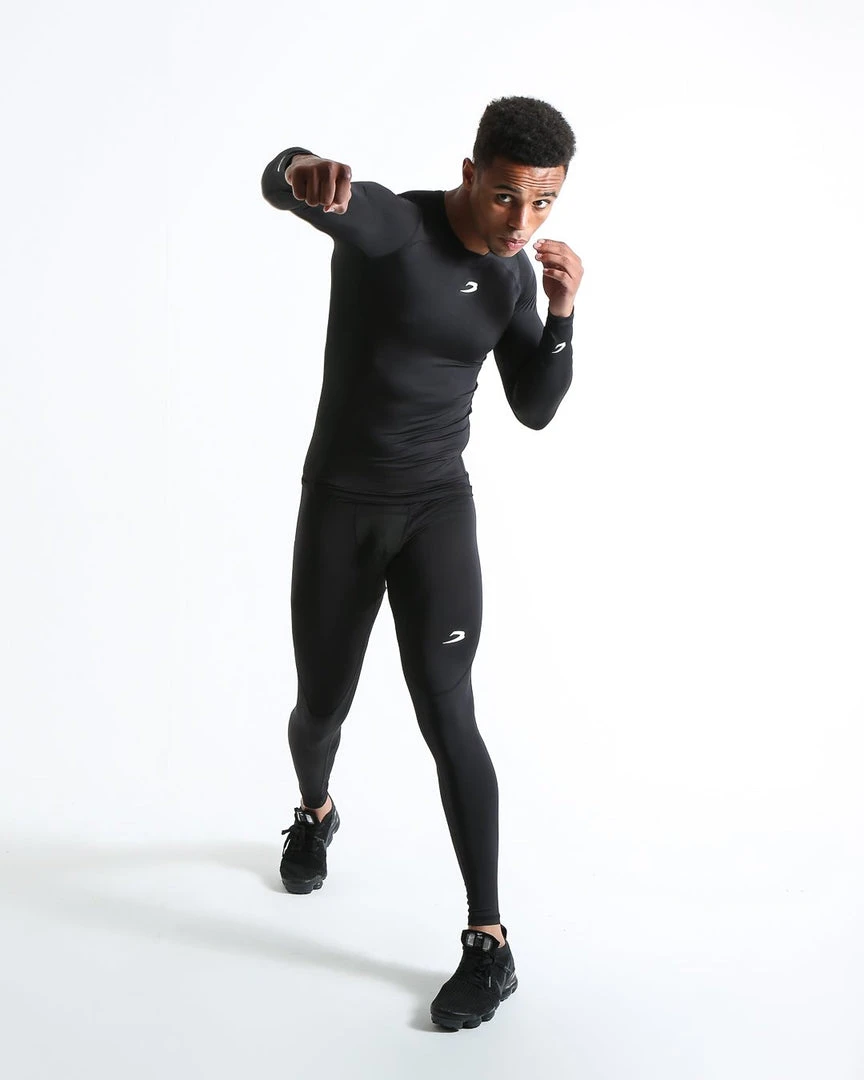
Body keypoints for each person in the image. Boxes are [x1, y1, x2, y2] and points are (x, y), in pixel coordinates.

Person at [260, 95, 583, 1031]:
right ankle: (316, 810)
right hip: (342, 509)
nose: (521, 222)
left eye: (544, 203)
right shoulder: (394, 227)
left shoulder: (514, 276)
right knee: (321, 706)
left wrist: (562, 314)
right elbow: (291, 185)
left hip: (437, 509)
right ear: (471, 172)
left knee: (450, 713)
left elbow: (534, 406)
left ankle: (489, 939)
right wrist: (299, 168)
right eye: (508, 196)